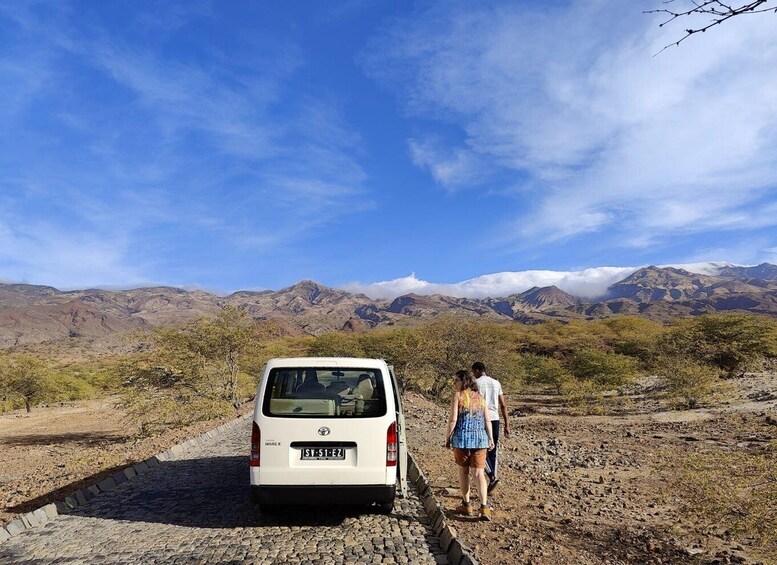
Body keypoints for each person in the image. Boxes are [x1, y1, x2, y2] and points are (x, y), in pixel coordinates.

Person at [445, 369, 495, 521]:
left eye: (457, 380)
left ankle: (466, 504)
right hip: (480, 440)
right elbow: (487, 419)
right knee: (479, 473)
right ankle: (484, 507)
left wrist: (447, 437)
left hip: (462, 439)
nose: (454, 383)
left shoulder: (458, 396)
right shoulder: (480, 397)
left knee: (463, 471)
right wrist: (491, 438)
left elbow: (453, 419)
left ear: (464, 381)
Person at [473, 361, 510, 493]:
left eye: (473, 372)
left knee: (480, 449)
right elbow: (503, 405)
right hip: (495, 419)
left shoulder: (476, 383)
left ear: (477, 370)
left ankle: (491, 477)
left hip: (481, 418)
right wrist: (507, 424)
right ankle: (493, 476)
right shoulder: (496, 383)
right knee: (493, 448)